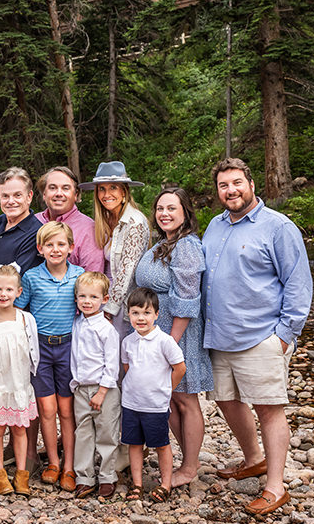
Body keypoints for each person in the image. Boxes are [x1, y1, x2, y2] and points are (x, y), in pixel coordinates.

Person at [202, 157, 312, 517]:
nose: (230, 190)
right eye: (223, 185)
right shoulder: (214, 227)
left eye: (236, 183)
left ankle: (275, 486)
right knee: (226, 400)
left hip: (261, 335)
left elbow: (298, 283)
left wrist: (285, 335)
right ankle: (254, 458)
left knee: (269, 407)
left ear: (251, 183)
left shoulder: (277, 227)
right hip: (220, 335)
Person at [134, 187, 212, 489]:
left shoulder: (187, 246)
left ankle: (190, 466)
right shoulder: (162, 244)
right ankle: (185, 459)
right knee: (169, 397)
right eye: (160, 209)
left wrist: (169, 342)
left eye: (171, 208)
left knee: (185, 399)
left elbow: (188, 299)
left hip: (179, 333)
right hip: (155, 332)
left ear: (185, 213)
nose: (164, 214)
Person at [16, 221, 85, 492]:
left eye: (61, 244)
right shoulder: (32, 277)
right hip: (41, 349)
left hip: (68, 348)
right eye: (49, 245)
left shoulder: (79, 276)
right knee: (47, 409)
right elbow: (20, 312)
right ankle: (53, 462)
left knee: (67, 410)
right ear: (40, 248)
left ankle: (69, 465)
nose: (55, 250)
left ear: (71, 247)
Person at [0, 265, 39, 496]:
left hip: (20, 383)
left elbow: (34, 350)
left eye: (9, 289)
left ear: (19, 292)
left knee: (20, 429)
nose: (4, 294)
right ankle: (0, 473)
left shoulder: (26, 319)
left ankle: (21, 474)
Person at [120, 288, 186, 504]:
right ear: (128, 314)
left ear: (156, 315)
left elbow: (180, 368)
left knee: (161, 444)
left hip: (155, 405)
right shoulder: (128, 341)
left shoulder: (164, 341)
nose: (141, 318)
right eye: (135, 312)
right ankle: (137, 484)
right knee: (135, 443)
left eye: (146, 313)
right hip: (131, 403)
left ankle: (166, 483)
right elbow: (127, 367)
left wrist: (167, 389)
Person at [80, 161, 150, 335]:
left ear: (124, 191)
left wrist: (110, 308)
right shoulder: (104, 221)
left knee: (117, 353)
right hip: (103, 295)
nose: (106, 194)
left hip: (123, 301)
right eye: (102, 189)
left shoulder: (135, 222)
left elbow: (127, 272)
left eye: (113, 188)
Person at [69, 271, 121, 500]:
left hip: (104, 390)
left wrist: (102, 391)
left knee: (107, 434)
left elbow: (112, 364)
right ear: (76, 299)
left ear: (105, 299)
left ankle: (108, 476)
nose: (87, 302)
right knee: (83, 432)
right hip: (81, 388)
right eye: (82, 297)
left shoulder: (107, 329)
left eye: (93, 297)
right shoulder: (77, 324)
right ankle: (84, 477)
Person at [0, 167, 43, 286]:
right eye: (5, 196)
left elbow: (14, 278)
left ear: (29, 196)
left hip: (16, 303)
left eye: (17, 195)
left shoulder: (36, 233)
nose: (11, 201)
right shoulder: (0, 221)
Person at [35, 167, 104, 273]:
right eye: (52, 188)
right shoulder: (33, 221)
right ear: (44, 194)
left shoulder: (90, 229)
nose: (59, 193)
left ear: (76, 195)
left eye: (65, 188)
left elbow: (93, 278)